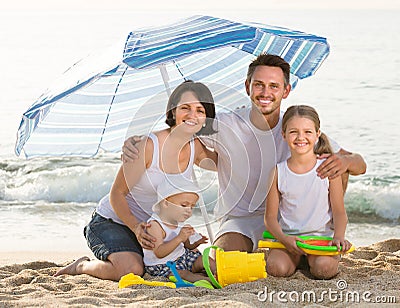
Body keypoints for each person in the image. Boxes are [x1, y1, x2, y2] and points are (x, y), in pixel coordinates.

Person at [122, 54, 367, 254]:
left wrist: (344, 161)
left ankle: (325, 231)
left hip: (290, 221)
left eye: (274, 86)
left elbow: (360, 165)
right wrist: (141, 141)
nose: (265, 92)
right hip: (239, 219)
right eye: (259, 84)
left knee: (334, 165)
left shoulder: (296, 130)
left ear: (286, 90)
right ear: (248, 86)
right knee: (222, 262)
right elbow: (182, 128)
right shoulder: (224, 124)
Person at [54, 80, 217, 281]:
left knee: (196, 266)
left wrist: (233, 128)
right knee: (130, 271)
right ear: (173, 112)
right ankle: (82, 266)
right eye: (185, 108)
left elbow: (225, 164)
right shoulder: (147, 146)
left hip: (156, 230)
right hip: (114, 222)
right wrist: (135, 228)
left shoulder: (196, 147)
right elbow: (117, 194)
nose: (192, 115)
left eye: (200, 110)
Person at [264, 105, 352, 279]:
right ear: (284, 135)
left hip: (321, 240)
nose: (300, 137)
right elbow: (270, 219)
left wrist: (339, 236)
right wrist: (284, 239)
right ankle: (298, 259)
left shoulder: (328, 170)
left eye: (307, 132)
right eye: (294, 132)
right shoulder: (277, 172)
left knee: (324, 270)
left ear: (317, 134)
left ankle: (313, 259)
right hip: (289, 240)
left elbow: (339, 213)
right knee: (276, 269)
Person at [144, 176, 215, 282]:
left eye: (191, 207)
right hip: (163, 264)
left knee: (204, 260)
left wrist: (195, 243)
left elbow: (186, 246)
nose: (189, 210)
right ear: (166, 203)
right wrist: (179, 238)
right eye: (184, 205)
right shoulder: (155, 225)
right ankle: (202, 278)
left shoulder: (178, 222)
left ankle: (218, 272)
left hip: (182, 257)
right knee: (182, 273)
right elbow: (159, 253)